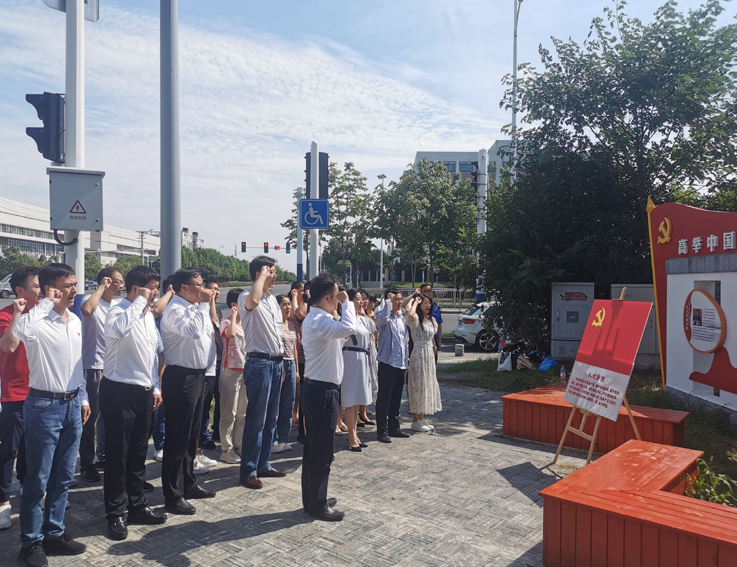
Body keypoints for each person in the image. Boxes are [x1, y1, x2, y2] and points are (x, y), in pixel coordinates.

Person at [13, 263, 90, 566]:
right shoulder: (36, 321)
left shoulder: (74, 320)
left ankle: (54, 533)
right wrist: (46, 302)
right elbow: (20, 331)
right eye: (68, 285)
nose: (74, 290)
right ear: (50, 289)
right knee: (38, 479)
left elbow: (77, 365)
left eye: (74, 284)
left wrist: (83, 397)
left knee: (64, 476)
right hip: (44, 406)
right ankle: (30, 543)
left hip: (72, 403)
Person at [101, 266, 167, 540]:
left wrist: (155, 386)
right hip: (119, 391)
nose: (155, 294)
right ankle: (115, 513)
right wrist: (140, 301)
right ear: (136, 289)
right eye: (152, 288)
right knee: (118, 456)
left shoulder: (147, 315)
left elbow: (151, 354)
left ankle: (137, 505)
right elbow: (118, 330)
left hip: (143, 392)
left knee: (139, 453)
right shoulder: (117, 309)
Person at [159, 268, 217, 515]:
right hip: (181, 377)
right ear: (184, 287)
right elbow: (193, 332)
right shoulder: (175, 310)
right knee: (178, 438)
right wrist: (204, 304)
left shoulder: (193, 309)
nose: (203, 289)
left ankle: (188, 483)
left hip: (198, 376)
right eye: (199, 284)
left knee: (191, 436)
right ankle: (173, 495)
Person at [300, 273, 355, 521]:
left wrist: (340, 311)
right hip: (322, 391)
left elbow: (342, 335)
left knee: (314, 449)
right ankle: (317, 504)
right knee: (321, 451)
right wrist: (348, 303)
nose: (338, 301)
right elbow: (349, 327)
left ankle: (313, 498)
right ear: (326, 299)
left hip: (319, 389)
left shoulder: (319, 320)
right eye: (335, 297)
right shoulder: (318, 320)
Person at [238, 256, 285, 489]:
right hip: (259, 364)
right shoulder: (246, 296)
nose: (274, 276)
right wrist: (263, 276)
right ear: (259, 274)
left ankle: (263, 463)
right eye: (271, 272)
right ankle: (249, 470)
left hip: (276, 363)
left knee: (271, 419)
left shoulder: (273, 300)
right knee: (256, 419)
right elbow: (253, 301)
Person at [0, 267, 41, 531]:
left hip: (40, 392)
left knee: (34, 447)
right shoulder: (5, 315)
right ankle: (3, 502)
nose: (41, 289)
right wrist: (17, 314)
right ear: (20, 290)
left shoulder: (45, 315)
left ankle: (30, 488)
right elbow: (9, 346)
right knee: (8, 451)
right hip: (14, 393)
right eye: (36, 285)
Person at [79, 267, 125, 482]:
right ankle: (86, 463)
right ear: (105, 282)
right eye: (117, 281)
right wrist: (100, 288)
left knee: (110, 417)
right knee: (91, 417)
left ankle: (103, 455)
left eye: (122, 281)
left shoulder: (118, 305)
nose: (121, 285)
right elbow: (87, 310)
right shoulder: (91, 300)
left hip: (114, 368)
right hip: (94, 365)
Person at [374, 289, 410, 443]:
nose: (400, 302)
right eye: (396, 299)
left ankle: (394, 427)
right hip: (387, 363)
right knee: (384, 399)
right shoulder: (383, 314)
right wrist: (388, 302)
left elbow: (404, 341)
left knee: (396, 398)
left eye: (400, 299)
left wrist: (406, 362)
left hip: (400, 364)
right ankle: (382, 430)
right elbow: (380, 321)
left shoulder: (401, 318)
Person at [406, 294, 442, 432]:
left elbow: (432, 337)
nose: (428, 305)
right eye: (425, 303)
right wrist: (415, 301)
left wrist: (434, 347)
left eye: (429, 303)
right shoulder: (416, 319)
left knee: (426, 386)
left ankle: (421, 418)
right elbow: (410, 314)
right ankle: (416, 419)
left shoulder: (431, 319)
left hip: (429, 356)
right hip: (418, 355)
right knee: (417, 386)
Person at [341, 289, 372, 451]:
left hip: (363, 358)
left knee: (357, 400)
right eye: (358, 299)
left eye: (362, 299)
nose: (361, 302)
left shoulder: (362, 319)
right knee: (350, 400)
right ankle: (351, 436)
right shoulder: (347, 319)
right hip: (351, 358)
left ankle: (354, 434)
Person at [219, 288, 247, 464]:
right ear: (234, 304)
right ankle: (226, 449)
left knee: (242, 412)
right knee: (229, 412)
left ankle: (239, 444)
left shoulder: (247, 323)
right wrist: (234, 315)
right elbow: (231, 334)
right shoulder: (226, 322)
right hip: (230, 371)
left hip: (246, 370)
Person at [273, 295, 299, 454]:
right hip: (279, 364)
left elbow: (295, 348)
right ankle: (273, 440)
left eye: (289, 304)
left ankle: (283, 439)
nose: (288, 307)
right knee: (276, 403)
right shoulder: (275, 325)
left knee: (288, 403)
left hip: (291, 365)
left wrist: (296, 369)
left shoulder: (291, 325)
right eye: (284, 304)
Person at [199, 279, 223, 452]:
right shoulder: (203, 308)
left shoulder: (218, 309)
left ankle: (213, 431)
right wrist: (209, 302)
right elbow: (213, 321)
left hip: (217, 362)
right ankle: (202, 435)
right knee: (204, 403)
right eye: (213, 289)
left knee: (215, 399)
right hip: (205, 365)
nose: (216, 292)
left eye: (218, 289)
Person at [358, 290, 377, 425]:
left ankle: (363, 412)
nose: (364, 302)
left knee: (368, 381)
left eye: (366, 299)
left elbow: (373, 336)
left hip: (371, 351)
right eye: (361, 299)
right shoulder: (355, 316)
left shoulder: (368, 316)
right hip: (359, 352)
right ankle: (357, 415)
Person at [289, 281, 306, 426]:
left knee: (302, 387)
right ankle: (294, 415)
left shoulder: (306, 304)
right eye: (302, 290)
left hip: (303, 351)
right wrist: (295, 297)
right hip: (295, 350)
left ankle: (299, 413)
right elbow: (297, 315)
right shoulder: (290, 304)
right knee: (296, 386)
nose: (304, 293)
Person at [419, 283, 443, 362]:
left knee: (433, 363)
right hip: (422, 340)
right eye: (425, 291)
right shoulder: (417, 307)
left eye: (429, 291)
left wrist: (439, 341)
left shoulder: (435, 307)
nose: (427, 293)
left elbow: (439, 324)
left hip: (433, 338)